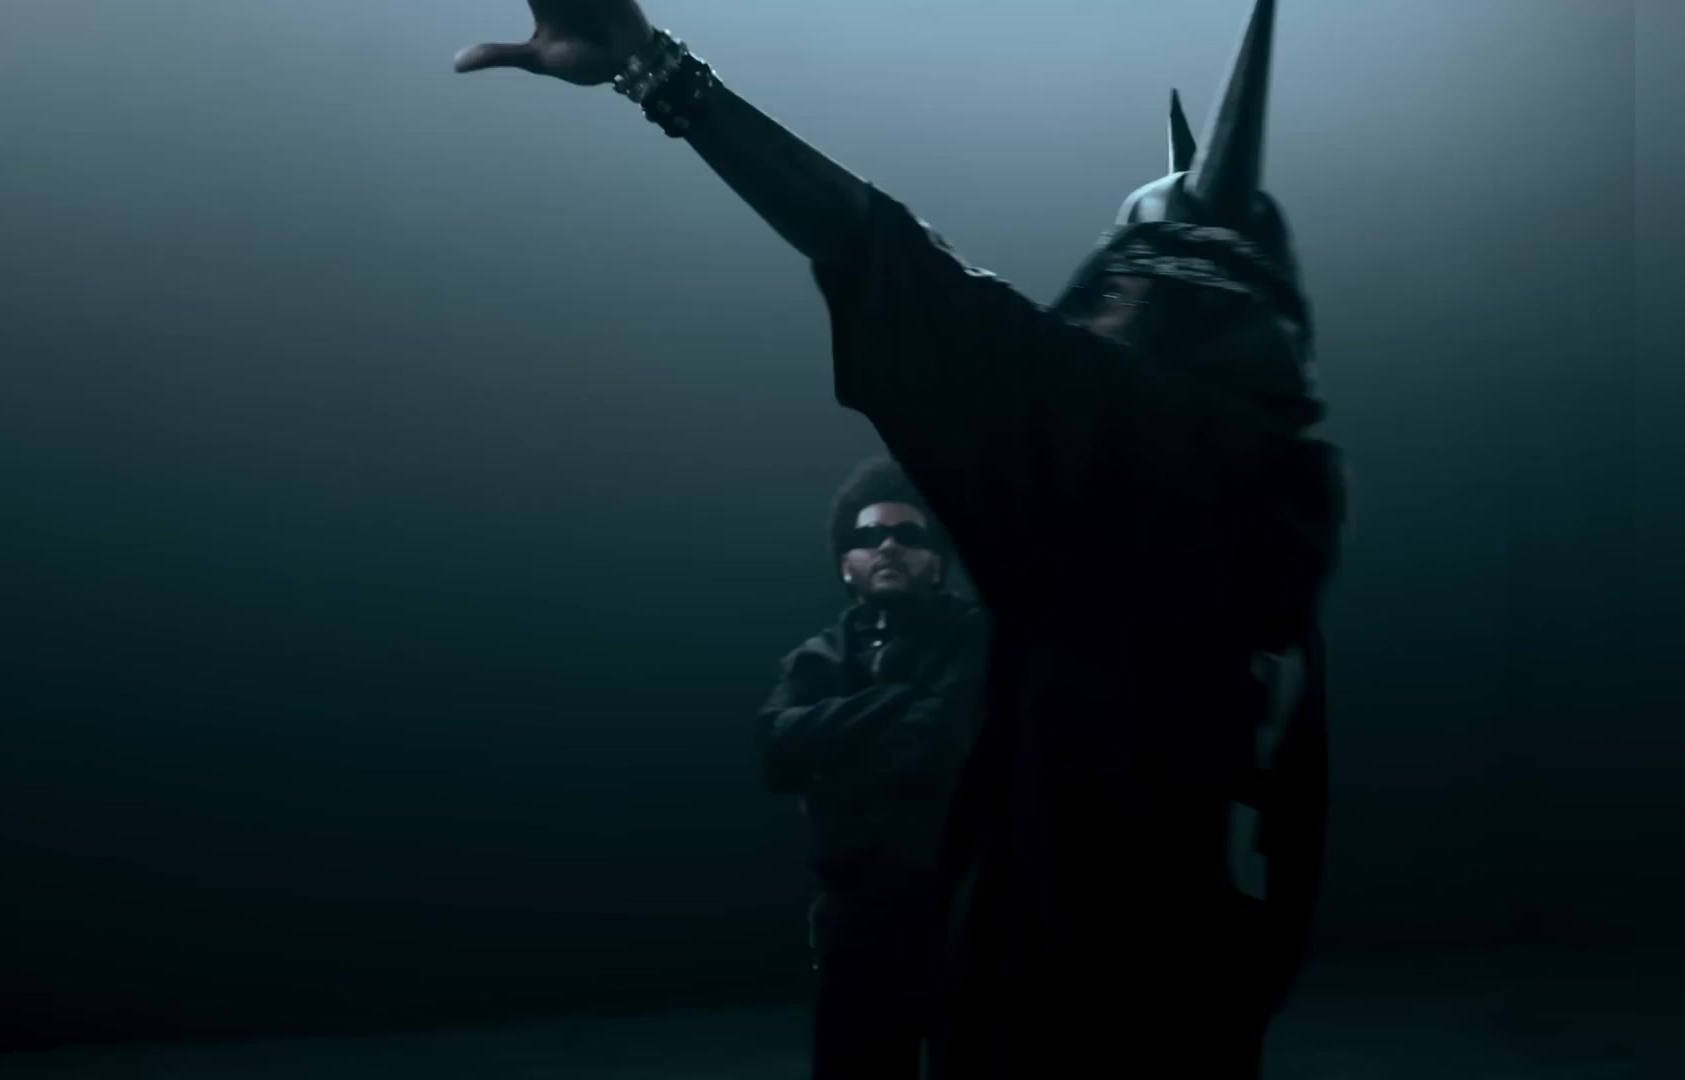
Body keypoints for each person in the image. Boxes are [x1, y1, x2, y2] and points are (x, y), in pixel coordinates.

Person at [455, 1, 1345, 1075]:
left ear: (1180, 302)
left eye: (1110, 288)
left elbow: (890, 258)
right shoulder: (1278, 521)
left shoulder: (1136, 449)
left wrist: (656, 69)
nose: (1079, 316)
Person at [756, 456, 987, 1080]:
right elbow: (775, 749)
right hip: (853, 916)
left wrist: (828, 736)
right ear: (845, 565)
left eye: (908, 534)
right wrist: (898, 702)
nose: (888, 545)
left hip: (959, 912)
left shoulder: (974, 638)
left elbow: (931, 742)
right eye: (870, 536)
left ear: (937, 561)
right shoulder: (815, 656)